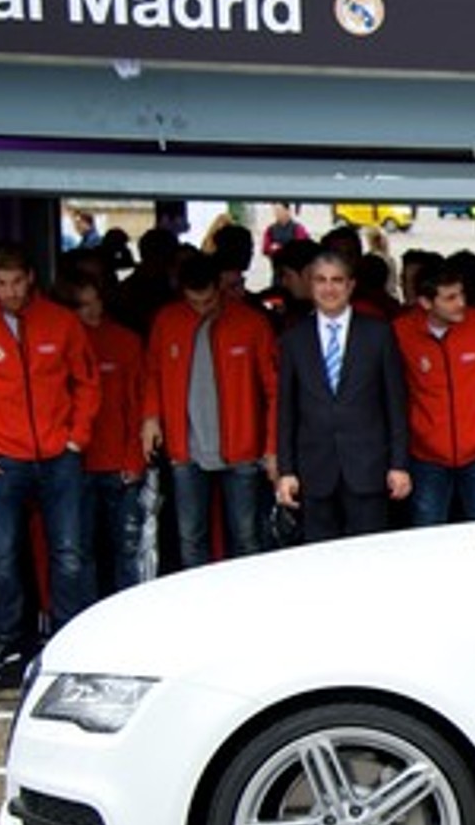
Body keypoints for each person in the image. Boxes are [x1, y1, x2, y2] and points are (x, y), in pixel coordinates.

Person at [0, 244, 100, 672]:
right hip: (2, 456)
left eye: (16, 281)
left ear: (30, 277)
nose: (10, 291)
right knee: (1, 554)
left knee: (69, 552)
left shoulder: (62, 321)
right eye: (1, 283)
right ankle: (4, 639)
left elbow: (87, 382)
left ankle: (70, 638)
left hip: (58, 453)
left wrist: (77, 437)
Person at [143, 253, 279, 567]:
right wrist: (150, 417)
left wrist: (271, 447)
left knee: (246, 537)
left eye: (208, 301)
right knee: (191, 538)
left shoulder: (251, 322)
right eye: (194, 302)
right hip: (185, 447)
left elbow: (274, 390)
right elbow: (152, 373)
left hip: (243, 447)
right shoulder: (167, 320)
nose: (202, 308)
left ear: (220, 288)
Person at [275, 250, 411, 541]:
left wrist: (399, 465)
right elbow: (286, 410)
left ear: (350, 286)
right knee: (320, 555)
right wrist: (286, 471)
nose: (329, 288)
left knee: (368, 553)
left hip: (368, 468)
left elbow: (396, 405)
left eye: (337, 280)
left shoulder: (379, 334)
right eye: (321, 280)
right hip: (314, 471)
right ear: (311, 285)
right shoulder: (294, 339)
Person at [393, 258, 475, 525]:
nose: (460, 303)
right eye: (449, 298)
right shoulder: (402, 332)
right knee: (427, 529)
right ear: (426, 302)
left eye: (461, 294)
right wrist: (418, 428)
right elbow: (394, 389)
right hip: (427, 454)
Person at [60, 274, 147, 597]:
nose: (91, 310)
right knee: (76, 551)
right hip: (73, 463)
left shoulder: (125, 341)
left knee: (128, 550)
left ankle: (131, 613)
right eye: (82, 305)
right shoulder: (60, 343)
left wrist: (134, 457)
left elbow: (138, 404)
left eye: (95, 301)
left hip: (118, 462)